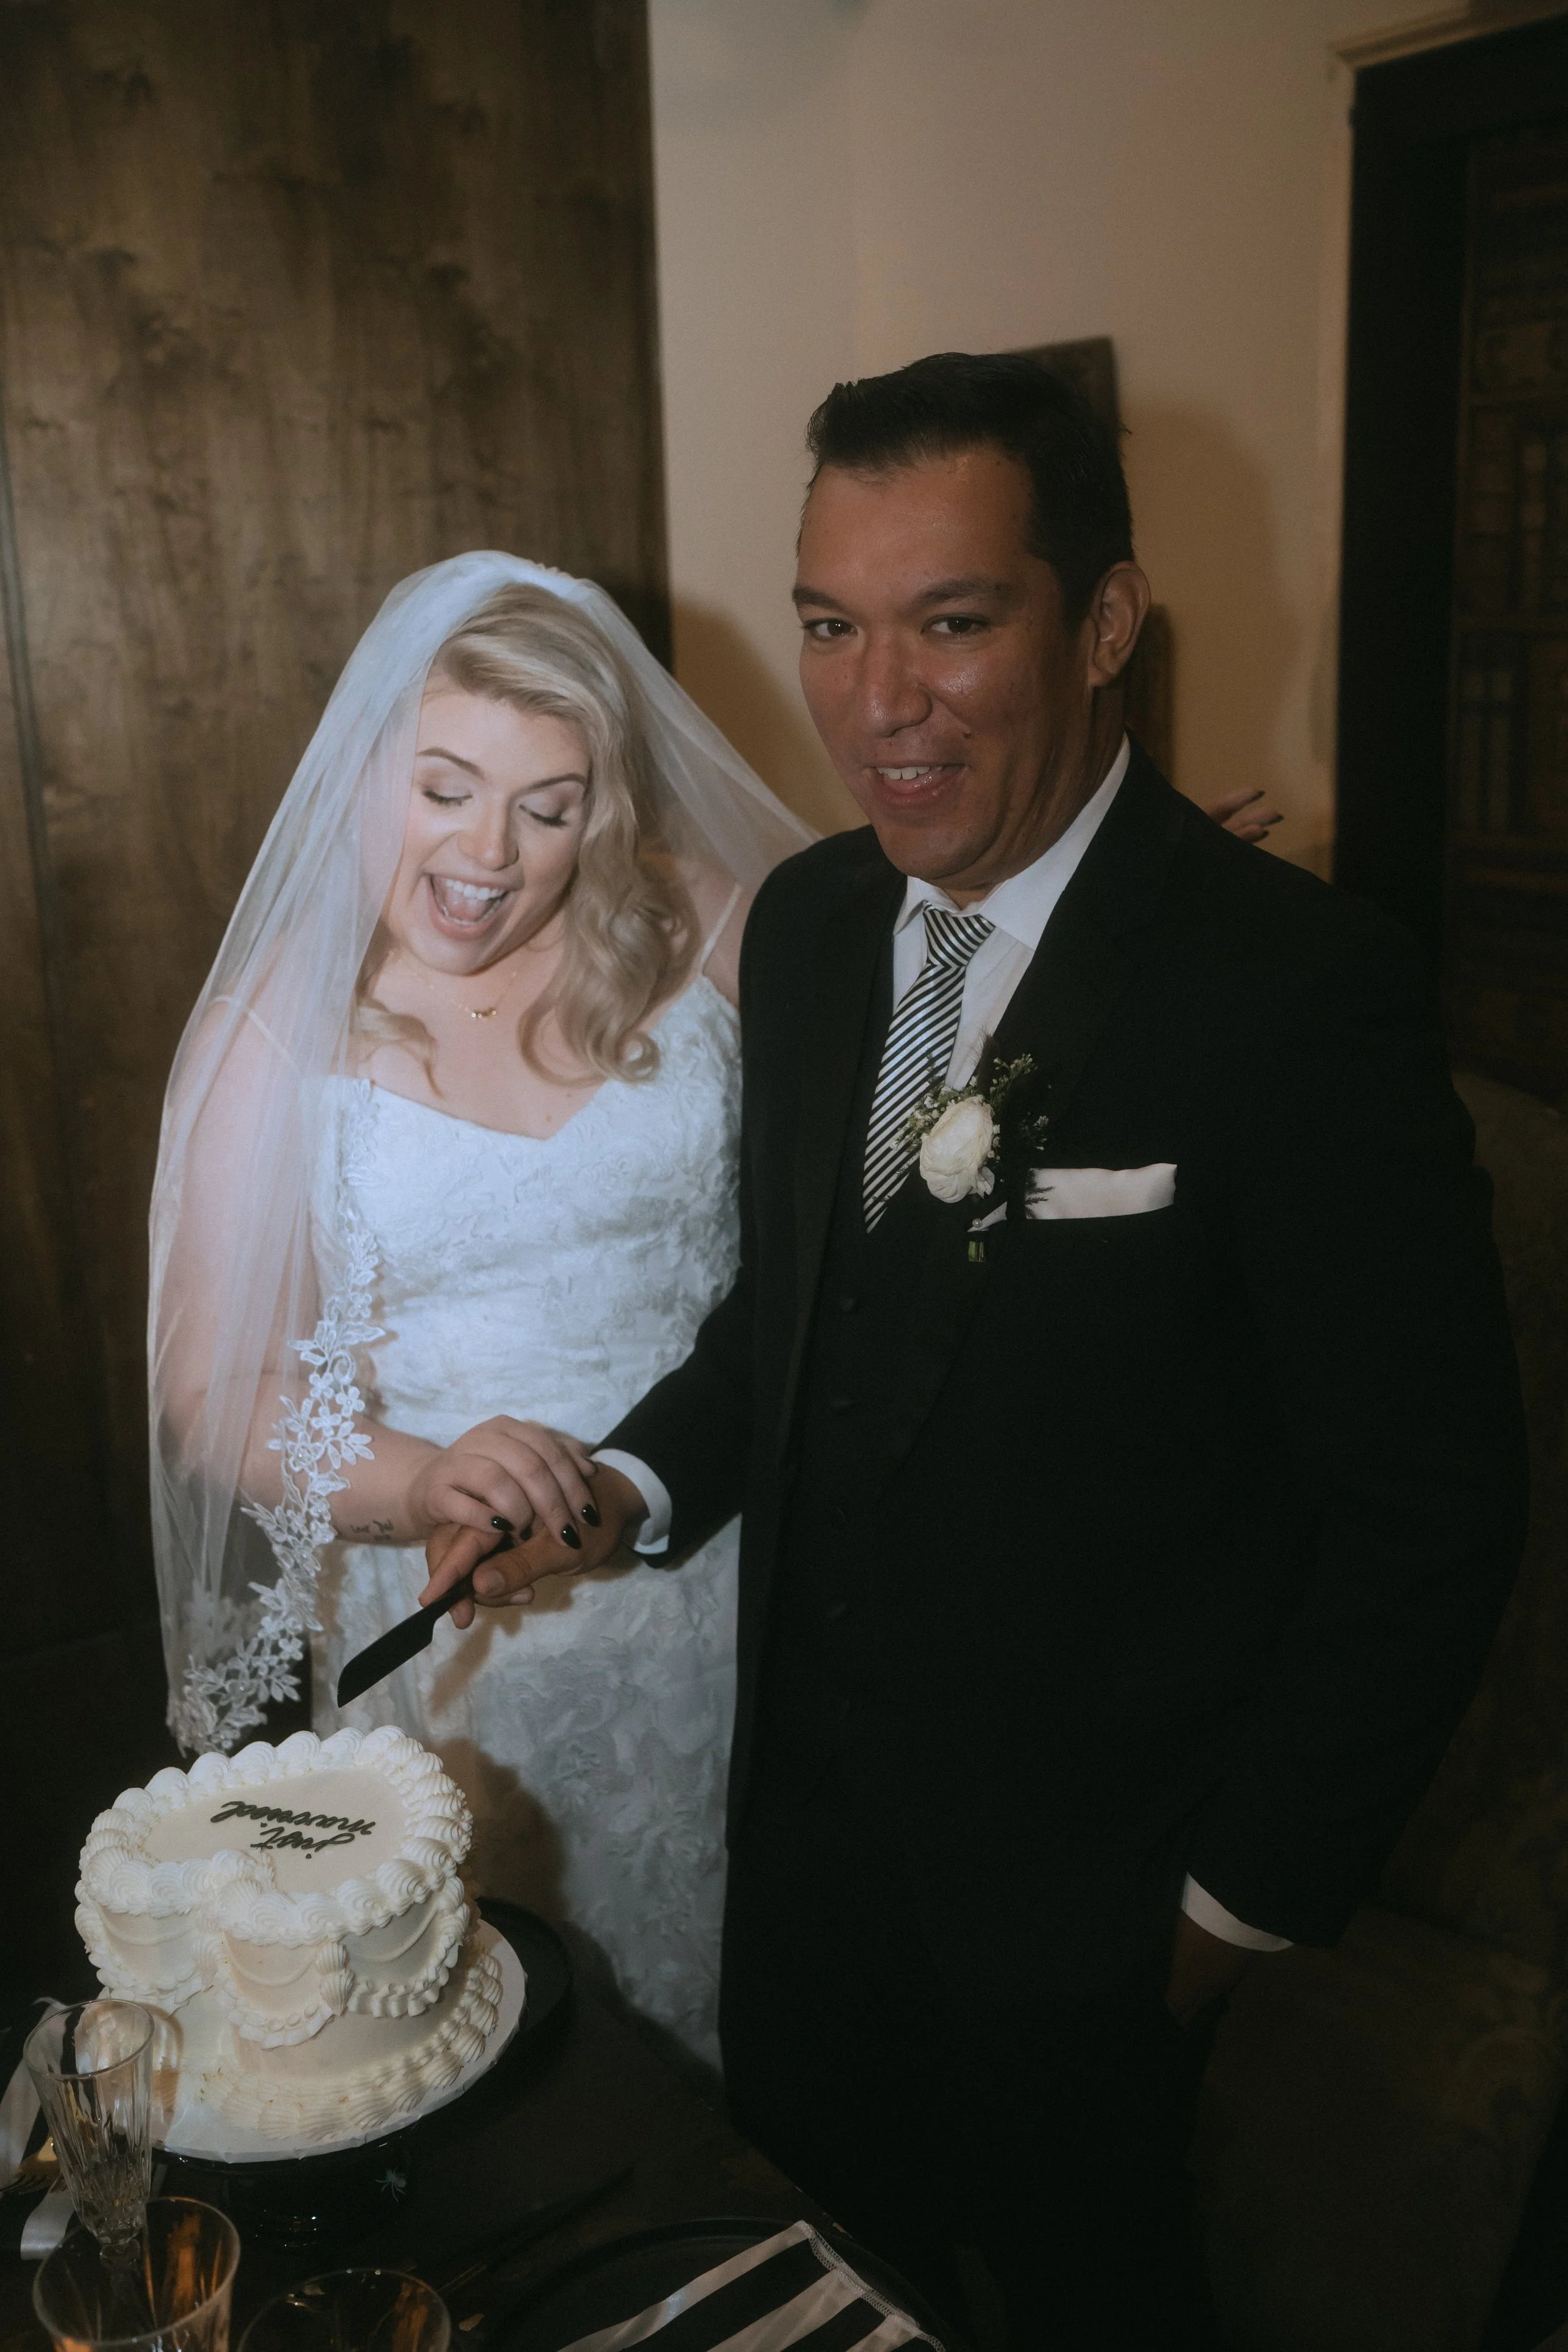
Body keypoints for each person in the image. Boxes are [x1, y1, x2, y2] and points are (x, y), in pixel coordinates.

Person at [425, 357, 1528, 2346]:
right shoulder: (821, 922)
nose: (877, 697)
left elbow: (1428, 1517)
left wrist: (1221, 1918)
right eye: (832, 625)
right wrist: (624, 1483)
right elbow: (791, 1312)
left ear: (1100, 626)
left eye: (951, 620)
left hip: (1099, 1922)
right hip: (807, 1889)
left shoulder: (1294, 990)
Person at [146, 553, 811, 2072]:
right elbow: (212, 1389)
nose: (487, 853)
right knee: (529, 2064)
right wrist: (418, 1476)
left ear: (607, 806)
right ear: (371, 768)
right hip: (463, 1636)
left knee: (778, 2038)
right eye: (445, 787)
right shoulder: (275, 1026)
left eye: (548, 805)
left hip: (732, 1581)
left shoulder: (693, 922)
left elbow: (913, 1023)